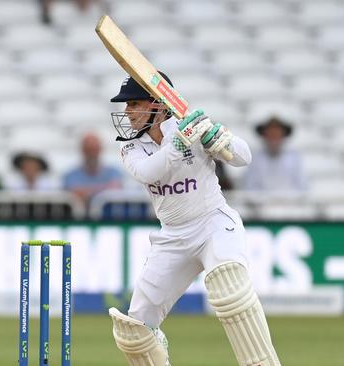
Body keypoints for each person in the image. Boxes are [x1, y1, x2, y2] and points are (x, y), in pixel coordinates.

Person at [107, 74, 280, 366]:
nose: (127, 112)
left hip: (213, 223)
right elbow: (149, 172)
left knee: (230, 291)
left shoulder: (192, 125)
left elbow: (243, 157)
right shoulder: (130, 146)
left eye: (134, 104)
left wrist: (217, 138)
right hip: (172, 236)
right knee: (134, 330)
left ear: (158, 106)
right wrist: (176, 144)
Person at [244, 116, 306, 191]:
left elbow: (301, 186)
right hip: (261, 201)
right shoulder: (255, 159)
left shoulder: (294, 158)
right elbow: (250, 186)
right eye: (271, 134)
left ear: (283, 135)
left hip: (290, 201)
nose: (273, 138)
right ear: (265, 135)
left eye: (276, 134)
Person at [63, 132, 123, 204]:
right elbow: (74, 193)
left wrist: (86, 192)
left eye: (94, 149)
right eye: (88, 149)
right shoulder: (70, 175)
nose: (92, 154)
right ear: (82, 150)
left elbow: (115, 190)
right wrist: (104, 190)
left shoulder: (114, 172)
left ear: (100, 149)